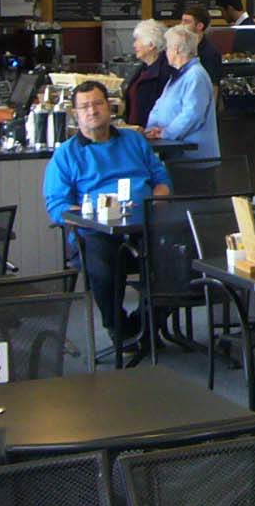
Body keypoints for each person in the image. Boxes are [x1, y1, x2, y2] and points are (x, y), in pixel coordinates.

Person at [42, 79, 171, 343]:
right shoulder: (66, 155)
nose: (92, 111)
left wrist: (156, 201)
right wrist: (93, 214)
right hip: (95, 232)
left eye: (98, 103)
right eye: (85, 106)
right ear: (76, 114)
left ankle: (145, 323)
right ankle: (119, 328)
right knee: (102, 266)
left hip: (144, 225)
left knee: (178, 256)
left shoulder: (134, 140)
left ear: (109, 108)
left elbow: (163, 182)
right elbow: (57, 206)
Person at [144, 24, 219, 159]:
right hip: (176, 153)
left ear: (176, 49)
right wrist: (152, 128)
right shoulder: (178, 75)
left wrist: (166, 133)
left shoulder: (196, 76)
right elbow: (159, 105)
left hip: (194, 158)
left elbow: (192, 115)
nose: (166, 53)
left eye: (167, 48)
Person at [122, 18, 172, 129]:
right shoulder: (144, 68)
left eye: (138, 40)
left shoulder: (165, 72)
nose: (134, 45)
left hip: (152, 133)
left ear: (151, 45)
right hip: (136, 131)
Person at [178, 2, 224, 83]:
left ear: (199, 26)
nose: (181, 25)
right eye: (182, 21)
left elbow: (213, 86)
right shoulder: (182, 47)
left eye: (186, 22)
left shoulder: (210, 53)